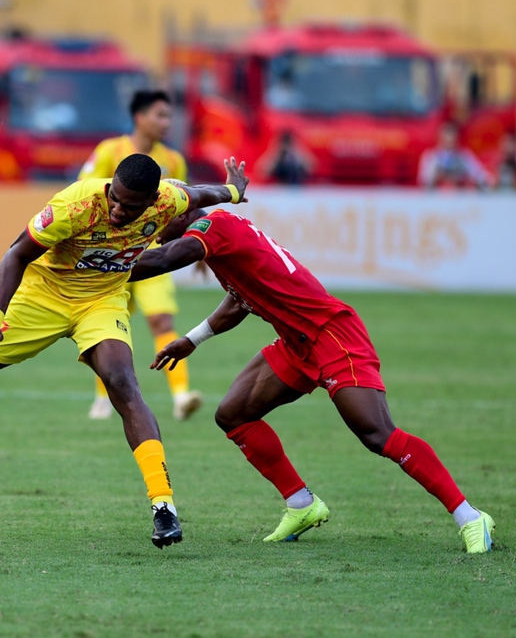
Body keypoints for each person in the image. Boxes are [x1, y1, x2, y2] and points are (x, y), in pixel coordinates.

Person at [0, 154, 249, 549]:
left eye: (130, 206)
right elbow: (16, 254)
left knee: (124, 385)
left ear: (151, 201)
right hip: (41, 298)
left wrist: (233, 190)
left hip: (101, 301)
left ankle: (164, 507)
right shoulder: (74, 204)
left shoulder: (170, 200)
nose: (117, 209)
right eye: (115, 199)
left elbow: (202, 192)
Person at [129, 206, 495, 554]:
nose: (156, 233)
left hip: (331, 335)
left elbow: (166, 259)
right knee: (233, 414)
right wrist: (192, 340)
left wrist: (104, 266)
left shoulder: (213, 230)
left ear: (185, 214)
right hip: (297, 342)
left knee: (378, 435)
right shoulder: (222, 234)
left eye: (160, 221)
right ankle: (301, 503)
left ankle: (470, 517)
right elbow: (239, 300)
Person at [78, 89, 203, 422]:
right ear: (140, 118)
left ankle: (181, 396)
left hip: (152, 256)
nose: (167, 123)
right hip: (109, 257)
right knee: (107, 328)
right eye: (160, 115)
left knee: (162, 320)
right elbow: (86, 194)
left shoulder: (173, 160)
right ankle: (102, 398)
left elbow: (185, 206)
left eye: (169, 116)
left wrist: (200, 244)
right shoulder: (110, 151)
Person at [418, 123, 490, 189]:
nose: (449, 143)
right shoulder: (431, 156)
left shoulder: (463, 156)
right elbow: (424, 180)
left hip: (459, 196)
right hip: (436, 196)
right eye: (446, 141)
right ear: (440, 139)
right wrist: (437, 176)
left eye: (452, 141)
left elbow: (480, 174)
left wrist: (486, 182)